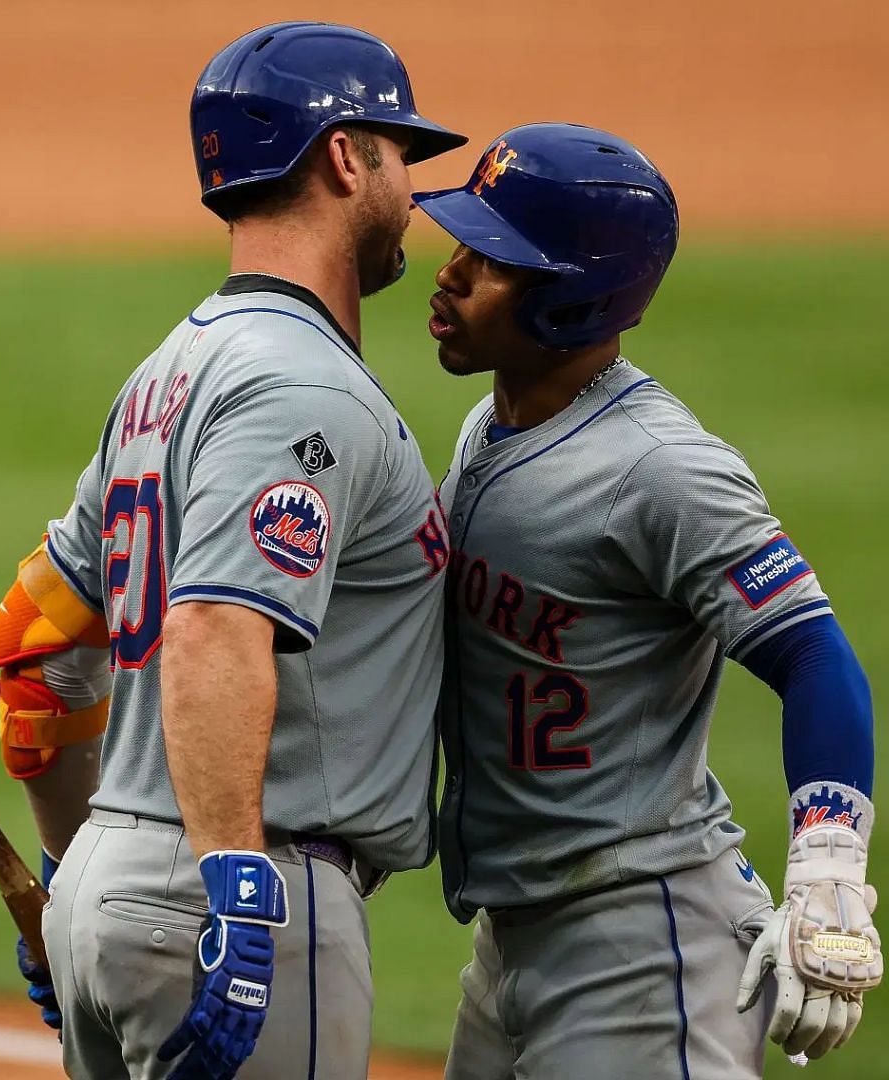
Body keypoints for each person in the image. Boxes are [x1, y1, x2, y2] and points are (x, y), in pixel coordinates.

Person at [0, 22, 464, 1079]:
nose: (411, 195)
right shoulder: (300, 386)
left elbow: (33, 654)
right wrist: (241, 898)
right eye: (397, 155)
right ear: (344, 156)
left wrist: (71, 880)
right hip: (238, 896)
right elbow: (214, 630)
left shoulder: (164, 374)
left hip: (117, 892)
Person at [418, 122, 880, 1078]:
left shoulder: (662, 470)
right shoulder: (487, 426)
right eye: (462, 243)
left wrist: (830, 871)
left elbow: (813, 654)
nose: (452, 272)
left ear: (571, 303)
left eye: (492, 260)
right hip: (514, 942)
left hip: (641, 947)